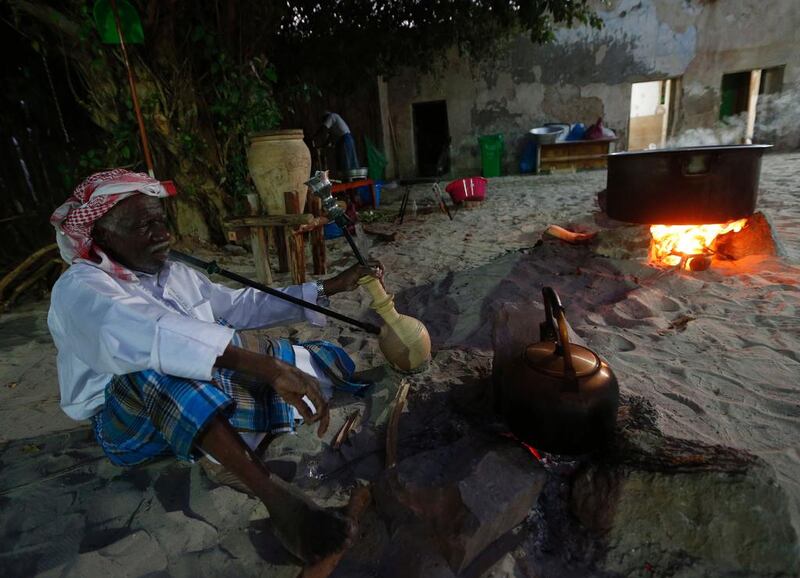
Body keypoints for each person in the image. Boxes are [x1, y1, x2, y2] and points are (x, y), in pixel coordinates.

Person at [47, 169, 382, 564]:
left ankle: (225, 447)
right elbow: (150, 335)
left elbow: (241, 306)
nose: (164, 235)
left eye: (161, 221)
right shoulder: (79, 288)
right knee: (155, 363)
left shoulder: (173, 274)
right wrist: (265, 366)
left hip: (193, 391)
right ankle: (274, 496)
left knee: (322, 359)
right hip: (129, 421)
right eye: (144, 225)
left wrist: (328, 288)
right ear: (100, 236)